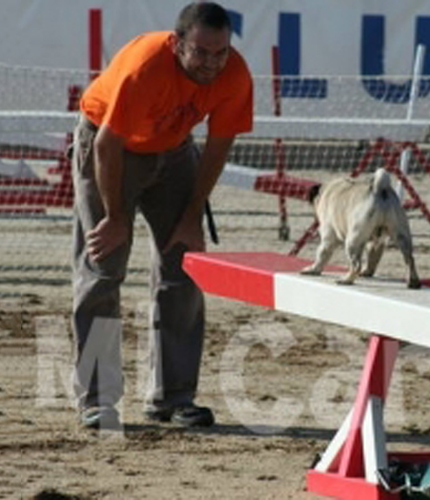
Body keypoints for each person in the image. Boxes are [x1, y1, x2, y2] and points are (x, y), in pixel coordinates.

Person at [71, 1, 253, 430]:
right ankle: (98, 400)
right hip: (109, 150)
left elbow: (218, 145)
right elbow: (106, 146)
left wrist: (193, 215)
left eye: (220, 52)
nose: (212, 63)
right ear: (177, 44)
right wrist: (115, 217)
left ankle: (173, 397)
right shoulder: (146, 66)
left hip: (173, 151)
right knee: (102, 269)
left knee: (184, 265)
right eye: (201, 53)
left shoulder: (235, 74)